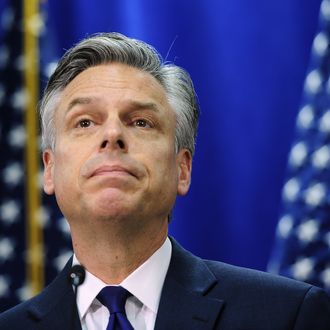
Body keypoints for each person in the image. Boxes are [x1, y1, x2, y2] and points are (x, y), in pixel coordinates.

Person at [0, 32, 329, 330]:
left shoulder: (287, 316)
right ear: (50, 169)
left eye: (141, 122)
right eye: (85, 122)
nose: (112, 134)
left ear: (182, 169)